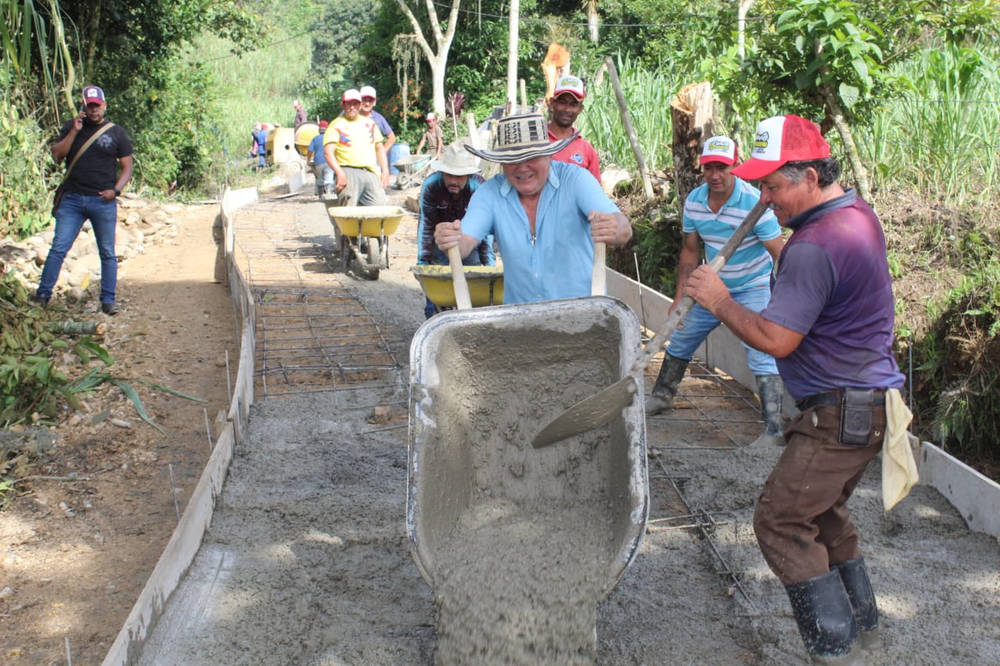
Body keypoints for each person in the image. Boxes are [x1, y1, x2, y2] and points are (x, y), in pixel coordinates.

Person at [684, 115, 906, 664]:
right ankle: (866, 631)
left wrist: (718, 300)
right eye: (760, 185)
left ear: (809, 176)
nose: (765, 197)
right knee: (823, 514)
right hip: (866, 406)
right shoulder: (857, 215)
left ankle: (836, 651)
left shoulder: (814, 245)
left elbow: (776, 339)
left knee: (781, 520)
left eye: (773, 185)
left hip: (840, 413)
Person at [646, 135, 786, 448]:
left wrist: (784, 299)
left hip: (753, 286)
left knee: (762, 351)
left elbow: (781, 255)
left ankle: (773, 431)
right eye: (709, 167)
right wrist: (680, 297)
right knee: (681, 336)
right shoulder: (695, 201)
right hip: (711, 286)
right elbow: (691, 250)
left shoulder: (755, 204)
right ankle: (662, 397)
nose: (715, 175)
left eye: (722, 167)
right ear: (702, 167)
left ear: (735, 166)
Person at [434, 113, 631, 305]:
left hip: (584, 318)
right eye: (512, 159)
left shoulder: (576, 180)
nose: (522, 167)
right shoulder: (490, 193)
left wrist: (613, 227)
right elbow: (464, 241)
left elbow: (623, 229)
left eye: (532, 157)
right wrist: (450, 239)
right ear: (502, 161)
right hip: (522, 323)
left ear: (549, 154)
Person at [36, 85, 133, 315]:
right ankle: (42, 295)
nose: (94, 110)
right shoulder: (72, 127)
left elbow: (127, 167)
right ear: (84, 106)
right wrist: (74, 131)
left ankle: (108, 300)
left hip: (103, 201)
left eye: (97, 106)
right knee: (59, 248)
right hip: (72, 199)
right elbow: (57, 155)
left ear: (104, 106)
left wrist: (116, 191)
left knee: (107, 252)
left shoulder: (116, 132)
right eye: (90, 106)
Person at [417, 143, 493, 318]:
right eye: (449, 175)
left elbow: (486, 228)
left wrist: (488, 265)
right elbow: (426, 225)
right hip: (439, 241)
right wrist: (423, 262)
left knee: (473, 291)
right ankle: (435, 322)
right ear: (442, 172)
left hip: (469, 240)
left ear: (468, 175)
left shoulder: (479, 187)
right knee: (437, 295)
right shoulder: (431, 186)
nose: (453, 180)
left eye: (459, 176)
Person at [323, 89, 389, 206]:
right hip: (348, 172)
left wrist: (385, 171)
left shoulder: (370, 124)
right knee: (348, 212)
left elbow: (379, 148)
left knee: (379, 208)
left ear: (360, 105)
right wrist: (340, 173)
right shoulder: (336, 125)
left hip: (370, 172)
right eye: (348, 103)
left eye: (355, 103)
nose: (352, 107)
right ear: (342, 105)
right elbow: (328, 152)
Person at [547, 74, 602, 184]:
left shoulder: (587, 150)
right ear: (552, 103)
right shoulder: (534, 139)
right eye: (562, 103)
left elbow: (594, 194)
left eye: (573, 104)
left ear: (580, 109)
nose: (567, 109)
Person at [359, 85, 396, 157]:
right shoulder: (349, 115)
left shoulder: (378, 119)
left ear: (375, 102)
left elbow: (392, 137)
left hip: (372, 162)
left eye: (370, 100)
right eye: (364, 100)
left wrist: (380, 155)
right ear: (359, 100)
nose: (367, 103)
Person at [307, 120, 334, 198]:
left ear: (319, 129)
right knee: (329, 178)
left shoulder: (315, 139)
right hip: (329, 160)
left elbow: (310, 151)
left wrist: (308, 160)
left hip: (318, 161)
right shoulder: (330, 137)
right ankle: (329, 194)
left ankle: (321, 196)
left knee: (320, 179)